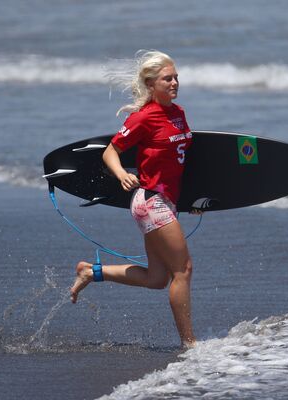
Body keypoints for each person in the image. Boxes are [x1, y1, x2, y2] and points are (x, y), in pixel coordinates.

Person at [69, 50, 196, 348]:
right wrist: (121, 174)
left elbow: (179, 160)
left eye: (176, 77)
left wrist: (190, 199)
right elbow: (110, 151)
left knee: (156, 278)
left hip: (167, 201)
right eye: (168, 78)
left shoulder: (178, 113)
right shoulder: (143, 117)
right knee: (183, 270)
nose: (175, 82)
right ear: (152, 84)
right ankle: (189, 344)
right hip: (151, 201)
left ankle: (91, 272)